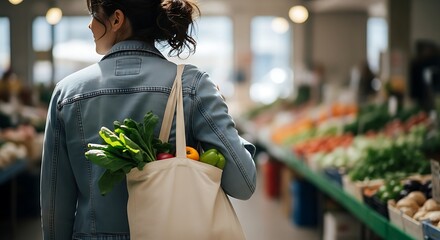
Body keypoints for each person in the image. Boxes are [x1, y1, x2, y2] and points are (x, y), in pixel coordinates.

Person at [40, 0, 258, 239]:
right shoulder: (192, 86)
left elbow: (55, 203)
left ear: (116, 19)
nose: (90, 25)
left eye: (94, 15)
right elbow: (243, 183)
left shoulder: (67, 93)